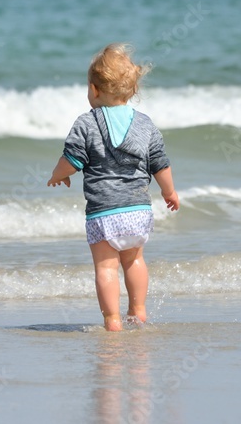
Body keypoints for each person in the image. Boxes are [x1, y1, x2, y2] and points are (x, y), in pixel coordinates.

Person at [47, 43, 179, 331]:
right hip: (138, 211)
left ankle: (112, 320)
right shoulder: (145, 124)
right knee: (134, 261)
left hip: (103, 214)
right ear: (132, 91)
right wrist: (169, 192)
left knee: (106, 267)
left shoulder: (86, 123)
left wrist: (58, 175)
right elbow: (160, 164)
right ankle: (138, 311)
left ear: (94, 90)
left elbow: (71, 159)